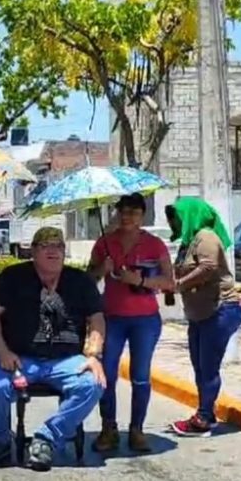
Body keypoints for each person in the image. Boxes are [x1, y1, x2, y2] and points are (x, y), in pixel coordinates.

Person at [0, 227, 106, 472]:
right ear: (33, 251)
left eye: (59, 246)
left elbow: (96, 320)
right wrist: (2, 352)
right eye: (46, 246)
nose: (53, 251)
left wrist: (93, 355)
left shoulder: (80, 281)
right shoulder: (13, 277)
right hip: (20, 357)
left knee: (93, 384)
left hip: (66, 359)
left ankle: (46, 439)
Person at [86, 193, 174, 453]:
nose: (128, 217)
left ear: (142, 215)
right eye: (124, 212)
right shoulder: (104, 243)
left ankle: (137, 429)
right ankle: (108, 428)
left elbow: (169, 282)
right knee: (107, 375)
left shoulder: (155, 245)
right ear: (117, 213)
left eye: (134, 212)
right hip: (111, 318)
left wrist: (141, 281)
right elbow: (88, 279)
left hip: (145, 320)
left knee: (140, 377)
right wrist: (102, 268)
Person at [164, 197, 241, 437]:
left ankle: (203, 419)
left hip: (219, 309)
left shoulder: (206, 237)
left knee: (208, 367)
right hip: (199, 314)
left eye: (176, 218)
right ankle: (206, 414)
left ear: (191, 215)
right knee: (200, 366)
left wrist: (178, 285)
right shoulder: (189, 242)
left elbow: (208, 267)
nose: (172, 223)